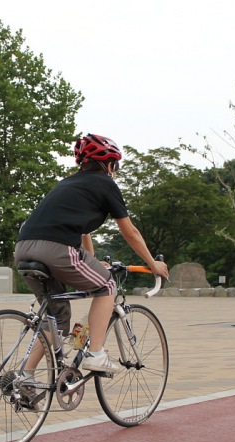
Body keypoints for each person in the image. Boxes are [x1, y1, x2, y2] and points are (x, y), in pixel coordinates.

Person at [14, 133, 169, 375]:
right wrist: (153, 264)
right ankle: (95, 354)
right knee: (107, 287)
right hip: (58, 249)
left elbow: (83, 231)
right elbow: (130, 232)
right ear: (109, 165)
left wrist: (92, 262)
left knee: (58, 317)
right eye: (115, 166)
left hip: (23, 248)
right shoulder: (106, 184)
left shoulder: (67, 185)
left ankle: (25, 375)